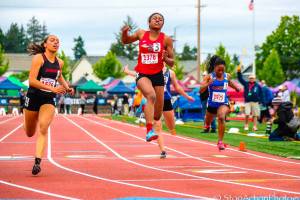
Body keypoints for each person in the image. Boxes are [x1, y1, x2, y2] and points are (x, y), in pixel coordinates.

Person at [24, 35, 74, 175]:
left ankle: (37, 162)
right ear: (45, 44)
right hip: (33, 96)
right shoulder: (39, 58)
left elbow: (58, 75)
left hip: (48, 99)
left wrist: (67, 87)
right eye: (52, 40)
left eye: (58, 41)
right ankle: (26, 117)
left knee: (43, 128)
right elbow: (32, 81)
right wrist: (53, 88)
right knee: (29, 132)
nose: (56, 42)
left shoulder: (60, 62)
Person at [122, 12, 174, 142]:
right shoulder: (141, 33)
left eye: (160, 19)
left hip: (158, 75)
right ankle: (149, 130)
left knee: (157, 115)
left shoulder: (166, 39)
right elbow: (125, 41)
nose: (157, 20)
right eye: (155, 19)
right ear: (149, 22)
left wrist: (165, 58)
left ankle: (150, 115)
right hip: (143, 74)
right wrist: (124, 32)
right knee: (151, 96)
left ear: (163, 24)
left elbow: (172, 62)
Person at [124, 65, 194, 158]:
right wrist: (127, 71)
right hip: (155, 101)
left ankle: (172, 130)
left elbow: (177, 87)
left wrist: (187, 96)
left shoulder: (170, 73)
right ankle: (163, 151)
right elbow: (138, 74)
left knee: (171, 126)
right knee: (158, 125)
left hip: (166, 100)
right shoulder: (150, 71)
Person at [200, 56, 240, 150]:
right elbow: (201, 90)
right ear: (214, 68)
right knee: (207, 121)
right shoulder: (209, 77)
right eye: (219, 70)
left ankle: (220, 142)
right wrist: (208, 83)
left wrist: (236, 88)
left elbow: (229, 82)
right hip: (212, 105)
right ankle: (207, 125)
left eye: (223, 70)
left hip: (223, 103)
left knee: (221, 117)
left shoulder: (227, 75)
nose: (221, 72)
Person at [237, 66, 263, 131]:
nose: (251, 79)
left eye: (253, 78)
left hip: (255, 101)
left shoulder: (258, 85)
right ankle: (246, 125)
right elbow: (240, 79)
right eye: (250, 78)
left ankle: (255, 126)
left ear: (255, 78)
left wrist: (260, 100)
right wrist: (239, 72)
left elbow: (261, 94)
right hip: (247, 101)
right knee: (247, 113)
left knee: (255, 115)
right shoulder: (246, 84)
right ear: (249, 78)